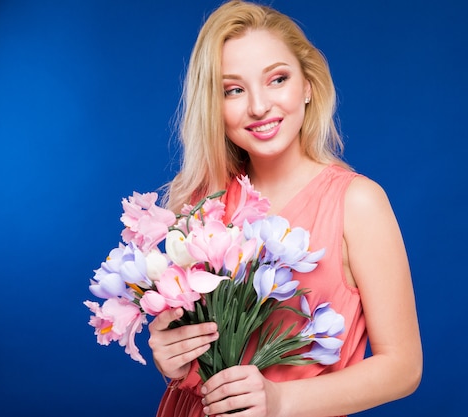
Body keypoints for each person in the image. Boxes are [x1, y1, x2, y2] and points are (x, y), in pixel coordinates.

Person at [147, 1, 422, 416]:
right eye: (233, 90)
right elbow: (192, 353)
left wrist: (280, 401)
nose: (258, 106)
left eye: (277, 79)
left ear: (308, 85)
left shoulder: (357, 203)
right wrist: (170, 354)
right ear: (214, 106)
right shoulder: (200, 205)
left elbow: (403, 367)